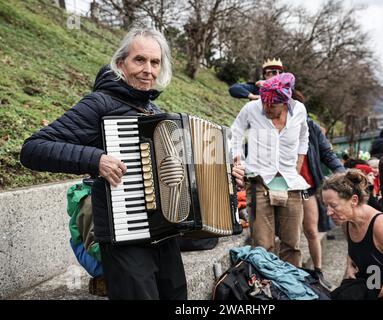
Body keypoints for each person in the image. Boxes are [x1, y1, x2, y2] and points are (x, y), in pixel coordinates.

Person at [20, 27, 245, 300]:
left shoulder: (156, 114)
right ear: (120, 64)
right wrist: (96, 159)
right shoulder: (100, 104)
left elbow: (187, 177)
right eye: (139, 60)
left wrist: (226, 179)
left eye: (155, 62)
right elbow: (33, 149)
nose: (148, 69)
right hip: (124, 237)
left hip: (165, 238)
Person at [231, 72, 309, 267]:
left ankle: (292, 289)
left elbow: (303, 139)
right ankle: (266, 291)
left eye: (272, 105)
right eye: (264, 102)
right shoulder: (251, 109)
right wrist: (237, 160)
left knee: (292, 245)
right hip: (258, 182)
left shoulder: (299, 110)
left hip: (291, 184)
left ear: (285, 102)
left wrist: (298, 167)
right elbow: (235, 133)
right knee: (263, 246)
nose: (266, 108)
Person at [321, 170, 383, 300]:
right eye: (326, 205)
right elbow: (357, 249)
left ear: (354, 200)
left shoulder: (381, 226)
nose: (328, 212)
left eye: (333, 205)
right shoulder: (347, 222)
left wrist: (368, 294)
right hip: (372, 289)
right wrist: (350, 265)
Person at [292, 90, 345, 289]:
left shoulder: (310, 127)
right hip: (283, 187)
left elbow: (327, 154)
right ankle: (291, 275)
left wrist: (342, 173)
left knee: (311, 231)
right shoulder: (274, 126)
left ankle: (318, 272)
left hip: (307, 186)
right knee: (290, 237)